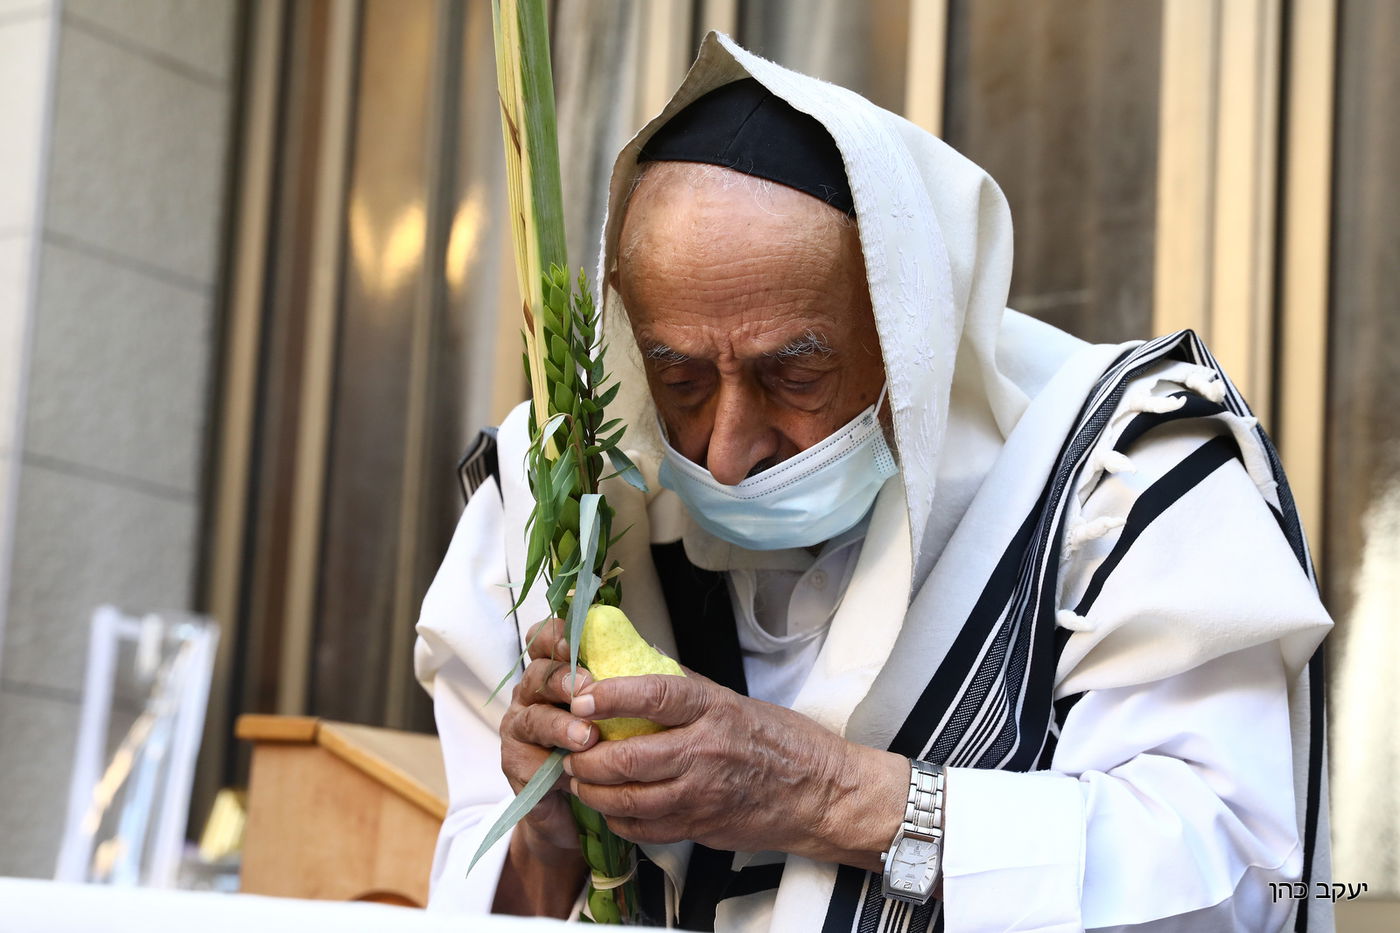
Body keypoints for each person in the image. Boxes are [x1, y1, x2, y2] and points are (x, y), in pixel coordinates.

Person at [414, 33, 1331, 932]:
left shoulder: (1123, 473)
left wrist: (821, 793)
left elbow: (1235, 881)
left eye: (794, 375)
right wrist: (547, 833)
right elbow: (479, 896)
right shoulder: (564, 496)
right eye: (681, 379)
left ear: (910, 338)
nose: (726, 451)